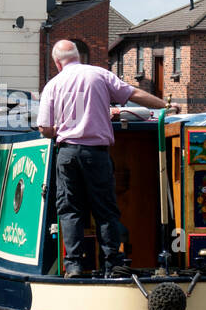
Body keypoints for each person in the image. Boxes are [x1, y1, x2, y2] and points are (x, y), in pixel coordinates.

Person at [37, 40, 173, 278]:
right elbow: (135, 93)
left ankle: (74, 266)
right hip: (96, 153)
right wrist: (165, 106)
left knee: (70, 211)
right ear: (79, 56)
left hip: (67, 153)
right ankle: (114, 263)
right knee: (106, 210)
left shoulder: (53, 85)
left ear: (57, 62)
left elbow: (44, 128)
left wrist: (62, 128)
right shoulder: (100, 75)